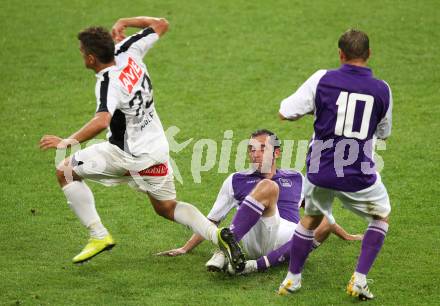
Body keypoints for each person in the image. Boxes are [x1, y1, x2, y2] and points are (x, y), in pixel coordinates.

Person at [39, 16, 243, 266]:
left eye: (82, 52)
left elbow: (102, 120)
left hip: (128, 155)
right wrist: (126, 21)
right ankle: (217, 235)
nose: (82, 56)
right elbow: (162, 23)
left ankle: (98, 235)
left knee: (65, 171)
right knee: (166, 207)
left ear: (91, 58)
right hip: (156, 150)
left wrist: (67, 141)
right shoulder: (129, 48)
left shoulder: (107, 83)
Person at [277, 29, 392, 300]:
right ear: (369, 54)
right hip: (358, 172)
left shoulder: (322, 79)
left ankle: (292, 279)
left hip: (321, 169)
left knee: (310, 219)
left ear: (341, 54)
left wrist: (317, 110)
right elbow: (384, 132)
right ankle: (359, 280)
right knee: (381, 217)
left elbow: (285, 112)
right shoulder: (382, 89)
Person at [158, 129, 362, 274]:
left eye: (262, 148)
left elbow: (316, 213)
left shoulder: (296, 178)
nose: (255, 153)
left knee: (325, 219)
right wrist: (185, 248)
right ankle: (226, 248)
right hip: (249, 237)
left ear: (277, 152)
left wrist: (347, 236)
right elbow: (213, 220)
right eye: (252, 149)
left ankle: (250, 264)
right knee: (269, 187)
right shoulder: (236, 179)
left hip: (285, 237)